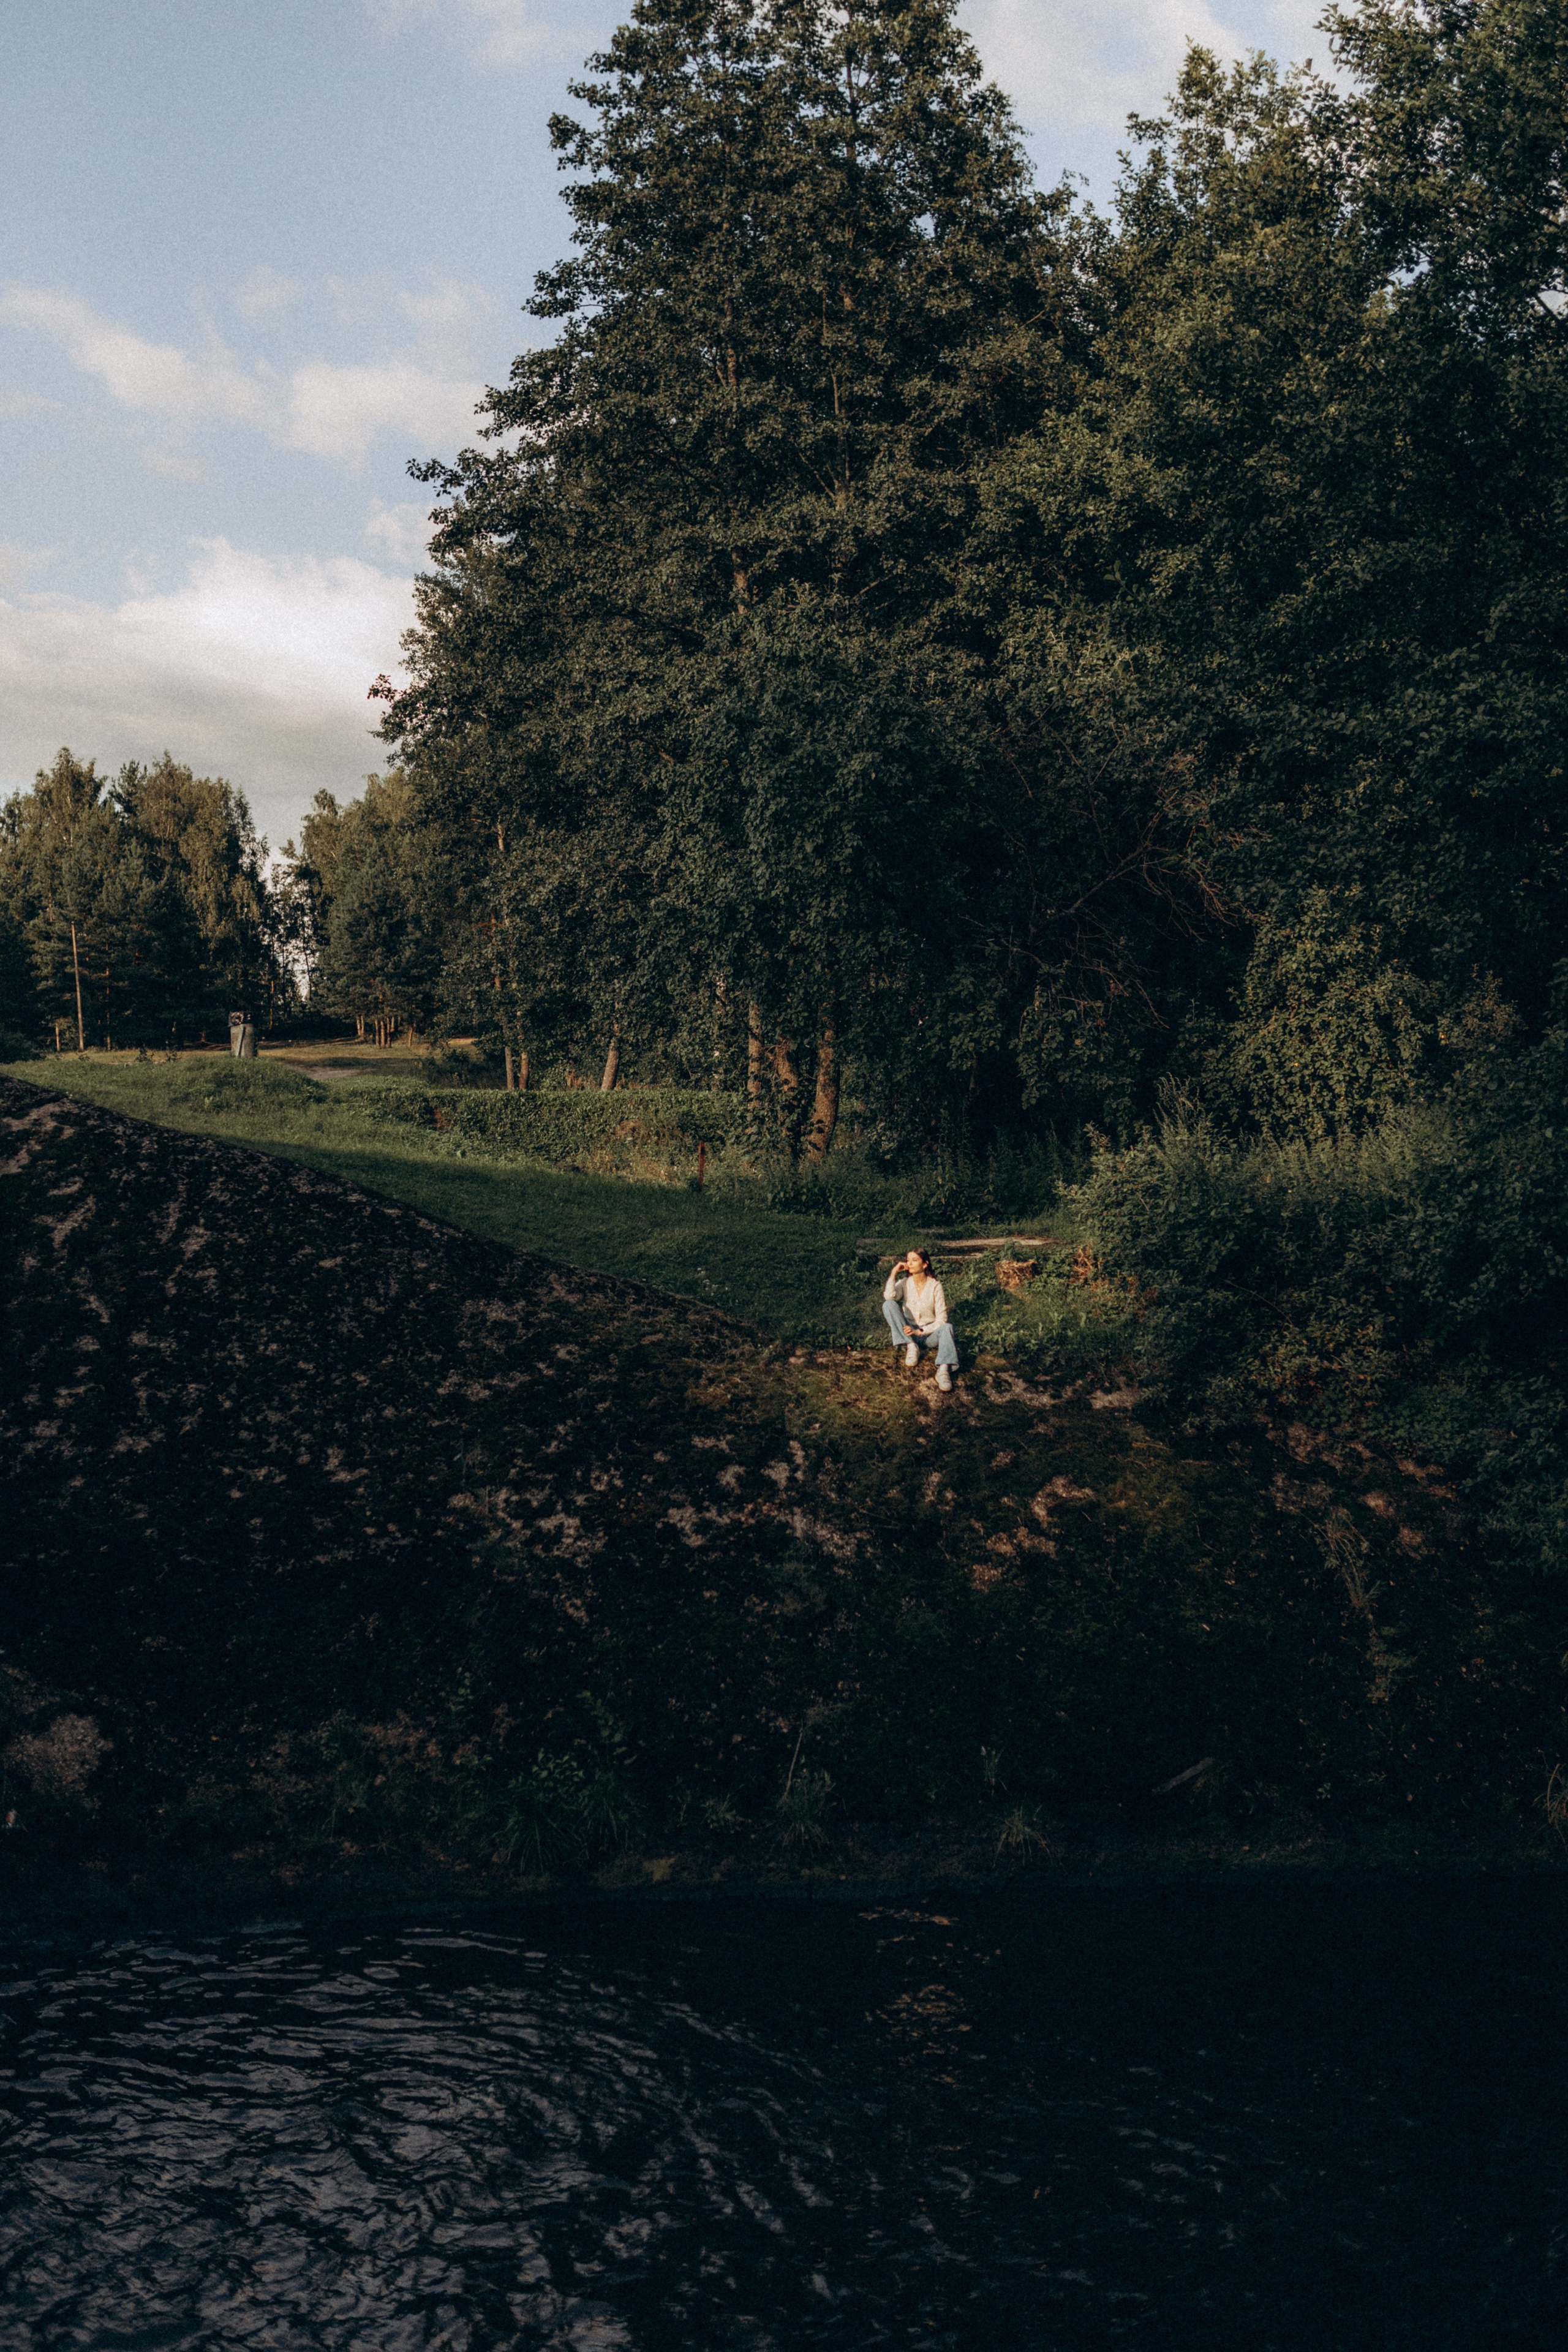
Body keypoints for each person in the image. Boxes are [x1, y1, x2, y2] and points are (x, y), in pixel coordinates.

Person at [883, 1248, 959, 1390]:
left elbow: (942, 1319)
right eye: (908, 1260)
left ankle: (943, 1371)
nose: (909, 1263)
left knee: (947, 1327)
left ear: (925, 1264)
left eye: (915, 1260)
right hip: (908, 1331)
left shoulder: (935, 1286)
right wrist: (894, 1273)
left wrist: (921, 1331)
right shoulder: (905, 1282)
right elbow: (889, 1296)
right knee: (888, 1305)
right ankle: (911, 1346)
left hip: (928, 1334)